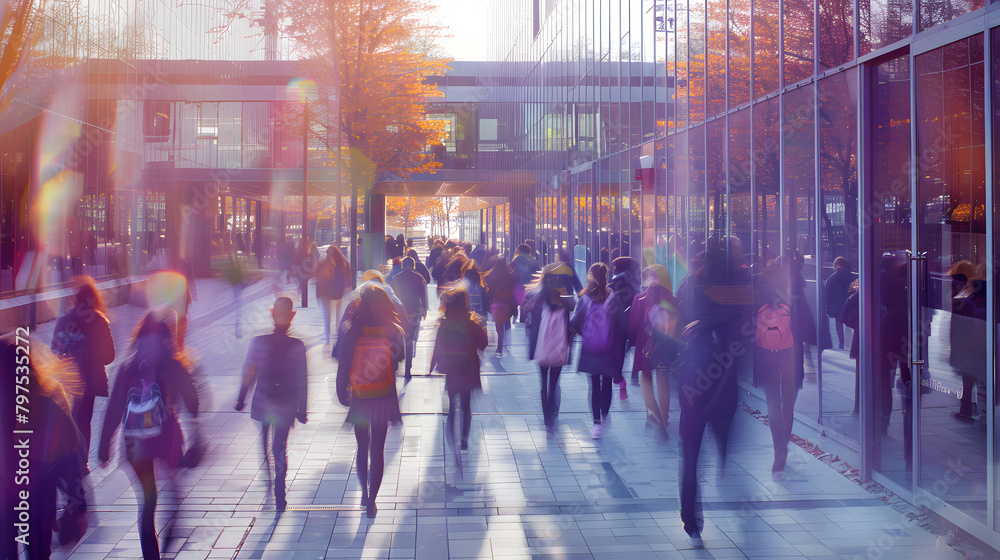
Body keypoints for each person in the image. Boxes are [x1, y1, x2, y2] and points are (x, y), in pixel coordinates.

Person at [98, 308, 200, 560]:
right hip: (167, 440)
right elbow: (193, 401)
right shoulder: (172, 362)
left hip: (134, 444)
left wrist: (104, 447)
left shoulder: (128, 366)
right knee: (173, 489)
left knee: (148, 501)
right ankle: (171, 533)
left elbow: (113, 410)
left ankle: (151, 556)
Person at [1, 334, 88, 560]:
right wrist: (78, 506)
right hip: (38, 499)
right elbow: (70, 460)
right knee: (39, 552)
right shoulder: (47, 408)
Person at [336, 284, 405, 518]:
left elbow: (344, 364)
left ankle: (364, 492)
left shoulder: (353, 330)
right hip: (384, 396)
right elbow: (400, 358)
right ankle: (372, 501)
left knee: (362, 446)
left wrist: (341, 392)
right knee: (378, 448)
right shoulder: (394, 330)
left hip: (361, 395)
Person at [235, 297, 309, 511]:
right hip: (286, 403)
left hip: (264, 400)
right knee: (280, 446)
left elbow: (249, 372)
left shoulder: (259, 342)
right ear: (291, 317)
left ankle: (267, 477)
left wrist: (241, 398)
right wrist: (301, 409)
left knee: (264, 441)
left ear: (272, 315)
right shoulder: (297, 345)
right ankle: (280, 491)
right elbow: (301, 378)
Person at [51, 277, 116, 460]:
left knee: (67, 418)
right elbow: (109, 357)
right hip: (90, 381)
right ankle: (81, 461)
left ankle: (64, 457)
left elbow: (54, 349)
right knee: (84, 421)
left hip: (67, 380)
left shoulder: (64, 319)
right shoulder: (100, 321)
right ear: (94, 298)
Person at [571, 262, 628, 439]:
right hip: (610, 349)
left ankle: (596, 424)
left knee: (594, 384)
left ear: (591, 276)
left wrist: (588, 334)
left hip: (592, 350)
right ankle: (604, 415)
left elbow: (575, 323)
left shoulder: (586, 297)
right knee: (608, 383)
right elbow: (622, 326)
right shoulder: (615, 297)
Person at [754, 261, 800, 478]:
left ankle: (777, 451)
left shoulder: (757, 295)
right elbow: (807, 325)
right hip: (790, 354)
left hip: (765, 354)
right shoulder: (793, 293)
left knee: (772, 401)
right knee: (788, 402)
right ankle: (784, 447)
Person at [430, 289, 488, 450]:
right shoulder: (469, 323)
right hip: (468, 368)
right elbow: (483, 343)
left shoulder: (445, 323)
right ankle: (464, 440)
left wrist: (432, 364)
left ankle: (450, 434)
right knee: (466, 405)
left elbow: (438, 345)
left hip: (451, 370)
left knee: (451, 403)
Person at [627, 265, 678, 439]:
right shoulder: (673, 300)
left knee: (645, 378)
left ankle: (652, 414)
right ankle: (664, 418)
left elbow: (632, 326)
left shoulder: (639, 299)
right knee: (663, 380)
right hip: (666, 345)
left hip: (645, 345)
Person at [524, 264, 576, 433]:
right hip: (559, 348)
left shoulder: (537, 297)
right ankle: (552, 416)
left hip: (541, 347)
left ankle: (547, 419)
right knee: (553, 385)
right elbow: (573, 314)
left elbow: (524, 316)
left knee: (543, 383)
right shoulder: (566, 299)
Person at [390, 256, 428, 378]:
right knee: (409, 340)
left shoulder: (396, 278)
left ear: (402, 266)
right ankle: (408, 369)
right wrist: (425, 310)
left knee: (396, 338)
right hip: (413, 313)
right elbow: (423, 296)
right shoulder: (419, 277)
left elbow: (392, 296)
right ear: (413, 266)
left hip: (399, 313)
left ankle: (395, 363)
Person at [316, 246, 352, 345]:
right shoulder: (343, 263)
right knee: (336, 314)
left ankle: (328, 335)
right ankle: (336, 333)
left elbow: (319, 278)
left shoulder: (324, 263)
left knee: (327, 314)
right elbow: (347, 277)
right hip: (337, 293)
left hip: (326, 293)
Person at [485, 255, 516, 357]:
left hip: (496, 304)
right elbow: (513, 292)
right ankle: (506, 344)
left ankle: (499, 348)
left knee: (498, 327)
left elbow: (488, 292)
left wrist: (488, 304)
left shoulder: (490, 276)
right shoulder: (510, 276)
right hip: (507, 304)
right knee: (507, 323)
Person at [824, 257, 857, 350]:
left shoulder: (832, 278)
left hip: (837, 306)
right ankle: (854, 341)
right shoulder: (854, 277)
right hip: (851, 305)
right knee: (854, 322)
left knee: (838, 323)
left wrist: (826, 305)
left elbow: (828, 294)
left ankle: (841, 344)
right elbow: (856, 290)